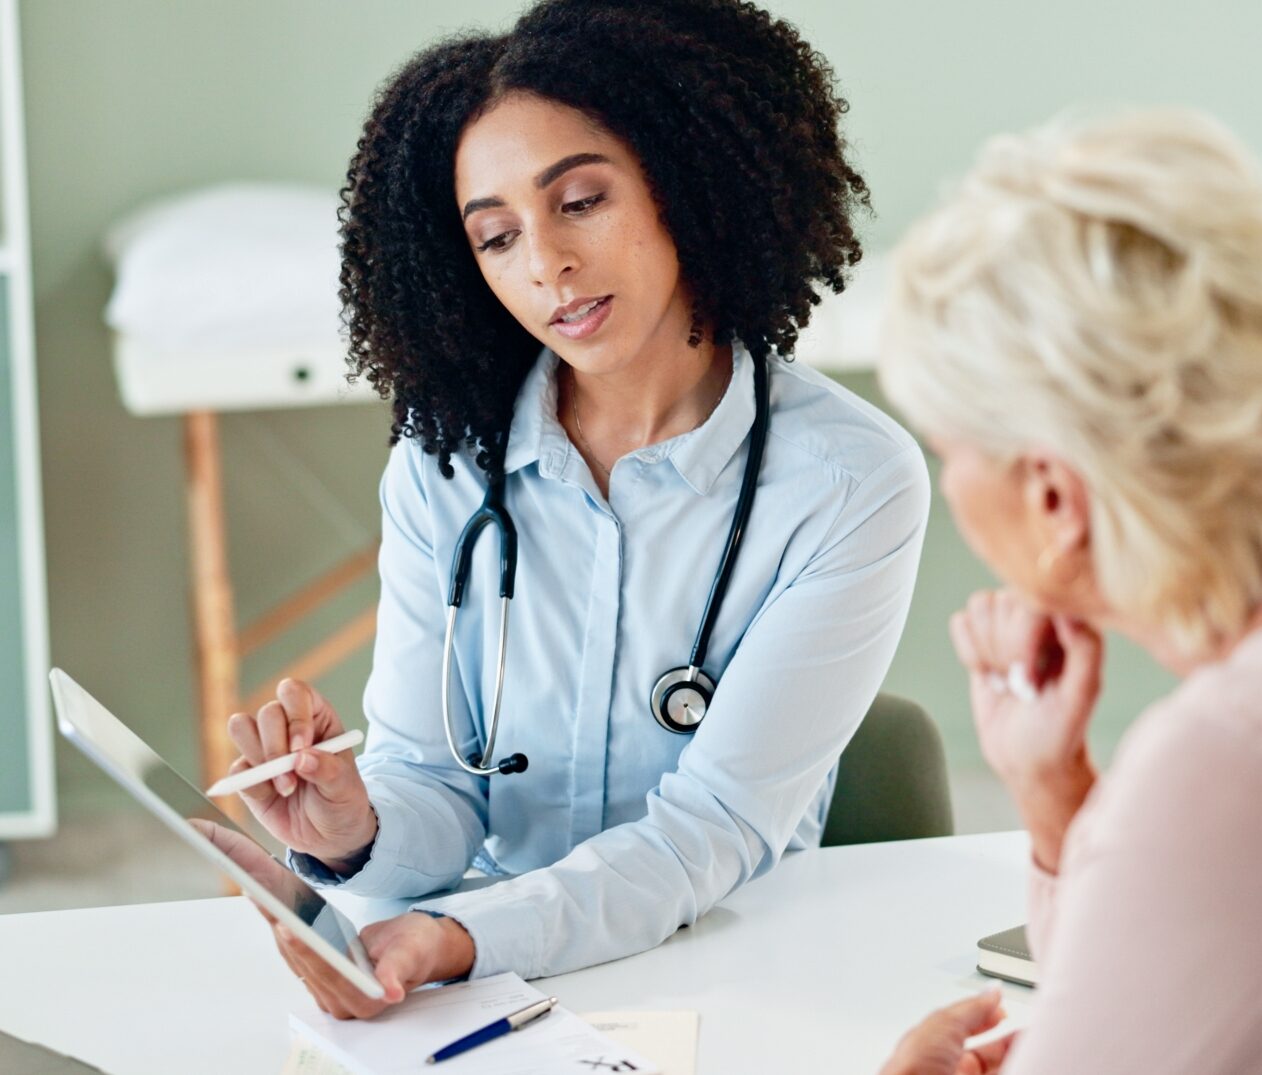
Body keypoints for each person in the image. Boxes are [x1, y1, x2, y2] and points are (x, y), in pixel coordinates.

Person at [224, 0, 929, 1019]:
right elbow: (435, 778)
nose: (544, 264)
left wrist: (462, 938)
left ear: (683, 184)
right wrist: (351, 828)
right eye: (497, 236)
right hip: (495, 982)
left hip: (733, 964)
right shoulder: (445, 459)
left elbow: (711, 830)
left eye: (581, 201)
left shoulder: (847, 481)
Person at [874, 110, 1262, 1073]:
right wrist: (1054, 788)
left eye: (949, 449)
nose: (948, 484)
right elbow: (1200, 973)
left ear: (1054, 495)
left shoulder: (1239, 757)